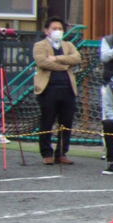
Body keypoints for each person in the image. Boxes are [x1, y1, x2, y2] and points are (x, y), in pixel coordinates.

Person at [33, 16, 82, 165]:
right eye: (54, 28)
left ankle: (61, 152)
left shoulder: (68, 45)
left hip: (67, 88)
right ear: (46, 30)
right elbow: (42, 62)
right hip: (48, 89)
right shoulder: (40, 45)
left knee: (66, 122)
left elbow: (76, 58)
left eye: (60, 29)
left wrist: (57, 58)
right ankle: (46, 153)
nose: (57, 31)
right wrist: (64, 65)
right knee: (47, 121)